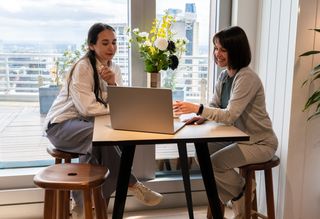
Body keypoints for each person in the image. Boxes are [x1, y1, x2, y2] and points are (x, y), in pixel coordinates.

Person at [43, 23, 163, 216]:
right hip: (62, 125)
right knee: (101, 139)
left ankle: (87, 209)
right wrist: (113, 106)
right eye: (105, 43)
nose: (111, 48)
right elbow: (87, 108)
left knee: (99, 148)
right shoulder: (83, 67)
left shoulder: (114, 68)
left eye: (114, 43)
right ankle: (130, 183)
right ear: (92, 45)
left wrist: (112, 83)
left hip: (88, 125)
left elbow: (121, 102)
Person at [173, 26, 278, 219]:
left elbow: (230, 115)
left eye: (222, 49)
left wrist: (198, 108)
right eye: (215, 48)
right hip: (238, 138)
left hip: (259, 142)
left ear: (236, 50)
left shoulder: (246, 77)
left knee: (214, 163)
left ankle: (241, 193)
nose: (217, 54)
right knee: (201, 155)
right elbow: (215, 103)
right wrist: (202, 116)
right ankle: (239, 192)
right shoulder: (224, 76)